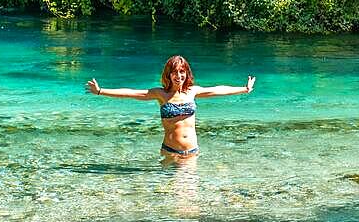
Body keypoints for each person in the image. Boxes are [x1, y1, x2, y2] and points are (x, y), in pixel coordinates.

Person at [86, 55, 255, 159]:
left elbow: (219, 90)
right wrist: (101, 91)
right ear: (168, 74)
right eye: (175, 72)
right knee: (168, 192)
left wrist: (244, 89)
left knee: (188, 193)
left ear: (186, 74)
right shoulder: (160, 94)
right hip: (169, 151)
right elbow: (130, 93)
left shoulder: (193, 91)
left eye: (182, 72)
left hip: (191, 152)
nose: (179, 76)